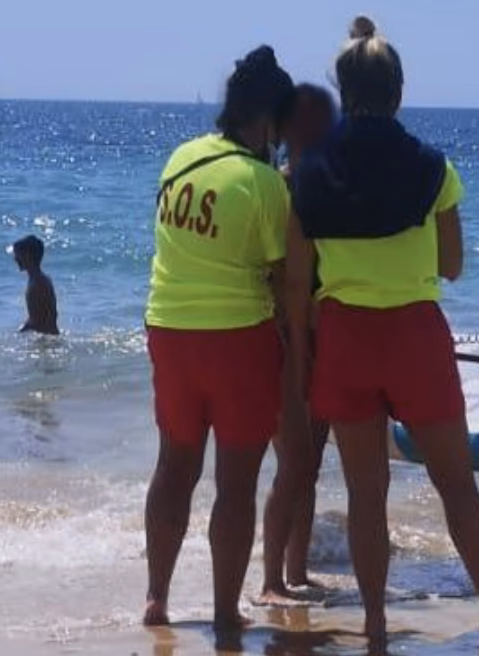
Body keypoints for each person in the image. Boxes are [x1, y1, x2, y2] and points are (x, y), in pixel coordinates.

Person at [285, 16, 479, 642]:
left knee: (367, 494)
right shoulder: (431, 167)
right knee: (456, 482)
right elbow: (451, 267)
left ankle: (374, 621)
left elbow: (297, 278)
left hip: (344, 337)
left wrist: (302, 349)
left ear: (344, 93)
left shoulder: (310, 170)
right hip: (414, 336)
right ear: (399, 91)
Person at [142, 45, 294, 630]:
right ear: (266, 120)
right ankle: (226, 611)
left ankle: (157, 597)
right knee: (236, 481)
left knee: (174, 467)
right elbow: (284, 285)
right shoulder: (263, 183)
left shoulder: (179, 159)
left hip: (169, 330)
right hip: (238, 341)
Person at [259, 83, 336, 606]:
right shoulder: (282, 189)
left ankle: (296, 569)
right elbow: (271, 273)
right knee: (295, 462)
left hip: (318, 337)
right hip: (289, 340)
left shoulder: (319, 187)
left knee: (306, 462)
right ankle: (274, 577)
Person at [11, 235, 59, 336]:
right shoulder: (39, 280)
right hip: (47, 337)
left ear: (28, 256)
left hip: (47, 339)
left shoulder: (38, 283)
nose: (15, 259)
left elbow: (39, 319)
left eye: (18, 255)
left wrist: (20, 331)